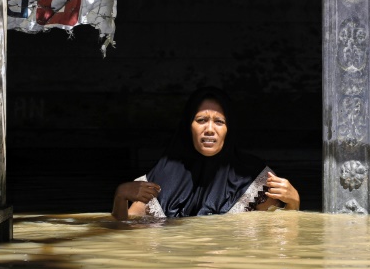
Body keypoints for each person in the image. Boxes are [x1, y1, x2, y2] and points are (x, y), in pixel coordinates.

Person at [111, 86, 299, 220]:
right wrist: (120, 197)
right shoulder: (162, 177)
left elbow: (280, 236)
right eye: (201, 120)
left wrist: (293, 203)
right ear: (188, 127)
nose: (209, 129)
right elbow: (126, 234)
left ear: (229, 129)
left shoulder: (252, 177)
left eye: (219, 122)